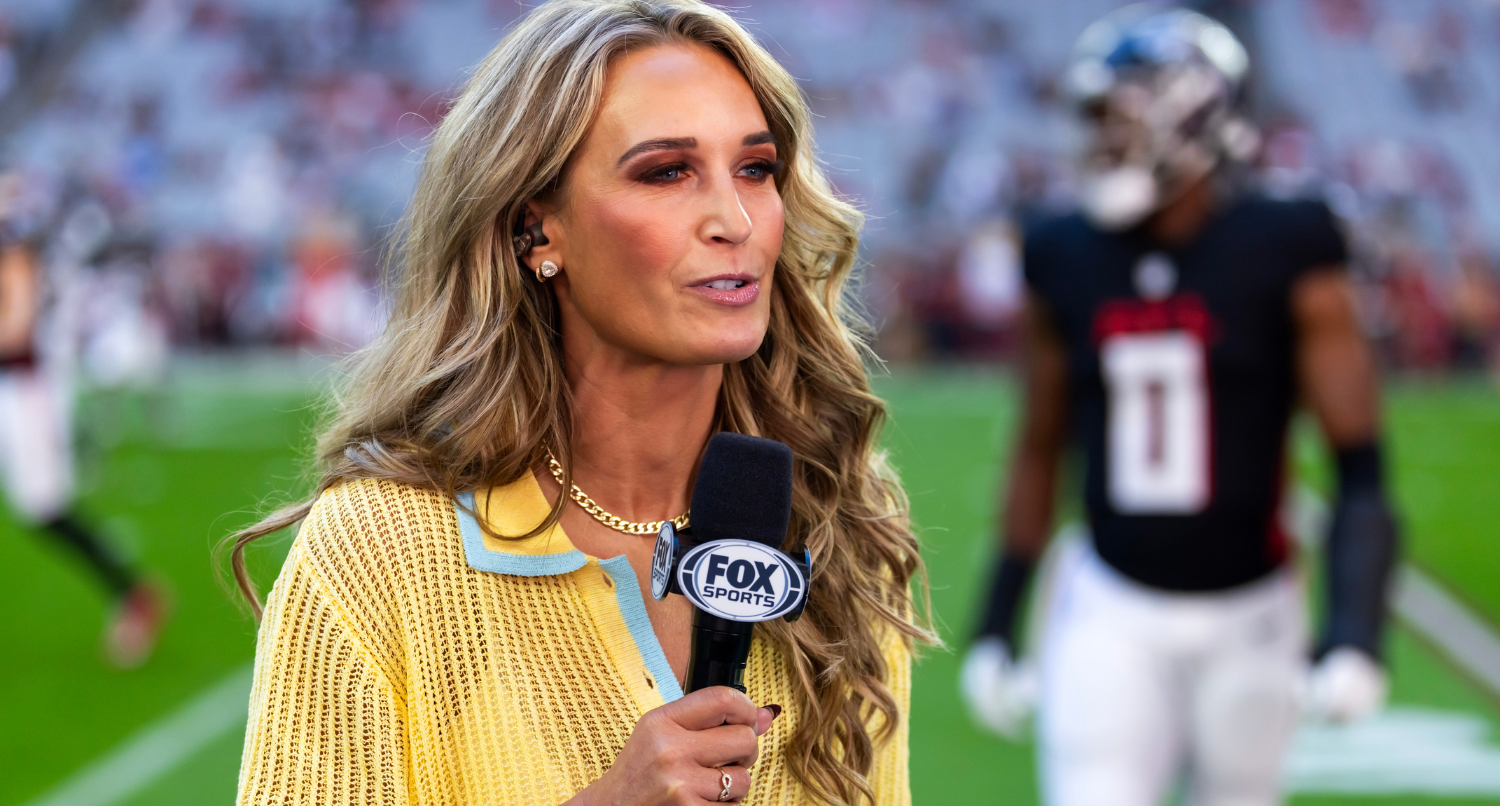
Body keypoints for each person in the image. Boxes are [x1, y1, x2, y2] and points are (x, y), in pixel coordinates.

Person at [229, 2, 927, 804]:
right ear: (537, 230)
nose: (735, 221)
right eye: (667, 172)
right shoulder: (383, 550)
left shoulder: (840, 526)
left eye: (755, 169)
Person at [959, 9, 1398, 806]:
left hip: (1254, 611)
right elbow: (1040, 440)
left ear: (1192, 120)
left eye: (1119, 121)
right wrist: (999, 615)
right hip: (1112, 600)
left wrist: (1355, 629)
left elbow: (1359, 461)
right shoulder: (1063, 251)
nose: (1101, 142)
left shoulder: (1285, 243)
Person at [0, 185, 168, 669]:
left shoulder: (18, 257)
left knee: (44, 509)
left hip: (26, 390)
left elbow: (15, 332)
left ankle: (134, 594)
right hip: (23, 386)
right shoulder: (26, 254)